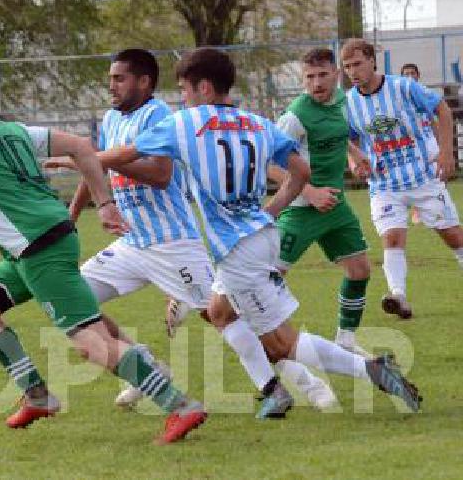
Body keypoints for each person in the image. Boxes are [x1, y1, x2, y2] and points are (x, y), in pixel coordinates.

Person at [0, 65, 207, 444]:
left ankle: (180, 405)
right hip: (39, 242)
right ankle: (37, 395)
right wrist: (103, 203)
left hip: (38, 246)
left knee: (91, 343)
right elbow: (82, 147)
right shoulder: (9, 128)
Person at [99, 47, 422, 417]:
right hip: (257, 236)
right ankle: (273, 393)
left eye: (185, 90)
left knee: (283, 342)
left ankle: (372, 370)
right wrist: (271, 210)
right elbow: (300, 173)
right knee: (219, 312)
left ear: (204, 88)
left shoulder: (186, 123)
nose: (182, 98)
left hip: (238, 249)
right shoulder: (256, 122)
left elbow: (124, 154)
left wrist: (81, 155)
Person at [47, 48, 336, 412]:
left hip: (173, 243)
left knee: (229, 316)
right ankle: (144, 365)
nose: (112, 87)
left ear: (143, 82)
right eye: (110, 80)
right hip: (132, 243)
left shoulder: (159, 115)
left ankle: (302, 384)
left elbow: (160, 173)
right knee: (72, 298)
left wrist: (111, 161)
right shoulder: (110, 120)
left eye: (119, 79)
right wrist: (71, 217)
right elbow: (96, 168)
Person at [342, 39, 463, 319]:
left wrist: (446, 152)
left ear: (373, 60)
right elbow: (348, 139)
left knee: (453, 237)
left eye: (357, 64)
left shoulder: (403, 87)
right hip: (384, 185)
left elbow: (441, 109)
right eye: (347, 67)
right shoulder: (348, 103)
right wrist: (354, 160)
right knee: (392, 238)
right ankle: (398, 296)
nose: (352, 71)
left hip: (423, 177)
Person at [268, 48, 372, 355]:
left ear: (336, 75)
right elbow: (268, 164)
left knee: (360, 269)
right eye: (309, 77)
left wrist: (355, 154)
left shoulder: (341, 99)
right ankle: (267, 345)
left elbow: (339, 135)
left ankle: (346, 341)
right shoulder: (295, 117)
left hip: (336, 205)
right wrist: (309, 192)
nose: (316, 83)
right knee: (269, 281)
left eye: (322, 75)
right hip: (300, 211)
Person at [399, 63, 437, 225]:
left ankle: (435, 207)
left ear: (418, 75)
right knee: (414, 175)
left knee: (437, 174)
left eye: (412, 73)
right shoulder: (398, 96)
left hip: (429, 140)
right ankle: (414, 208)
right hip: (411, 144)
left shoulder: (425, 93)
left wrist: (438, 140)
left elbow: (435, 117)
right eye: (405, 74)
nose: (409, 76)